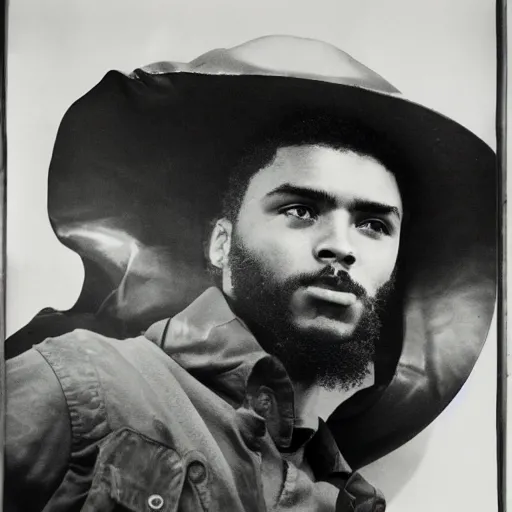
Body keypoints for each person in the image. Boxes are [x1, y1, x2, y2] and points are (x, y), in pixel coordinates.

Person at [5, 36, 496, 512]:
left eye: (373, 225)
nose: (341, 247)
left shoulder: (342, 496)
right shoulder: (82, 383)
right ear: (221, 242)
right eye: (301, 210)